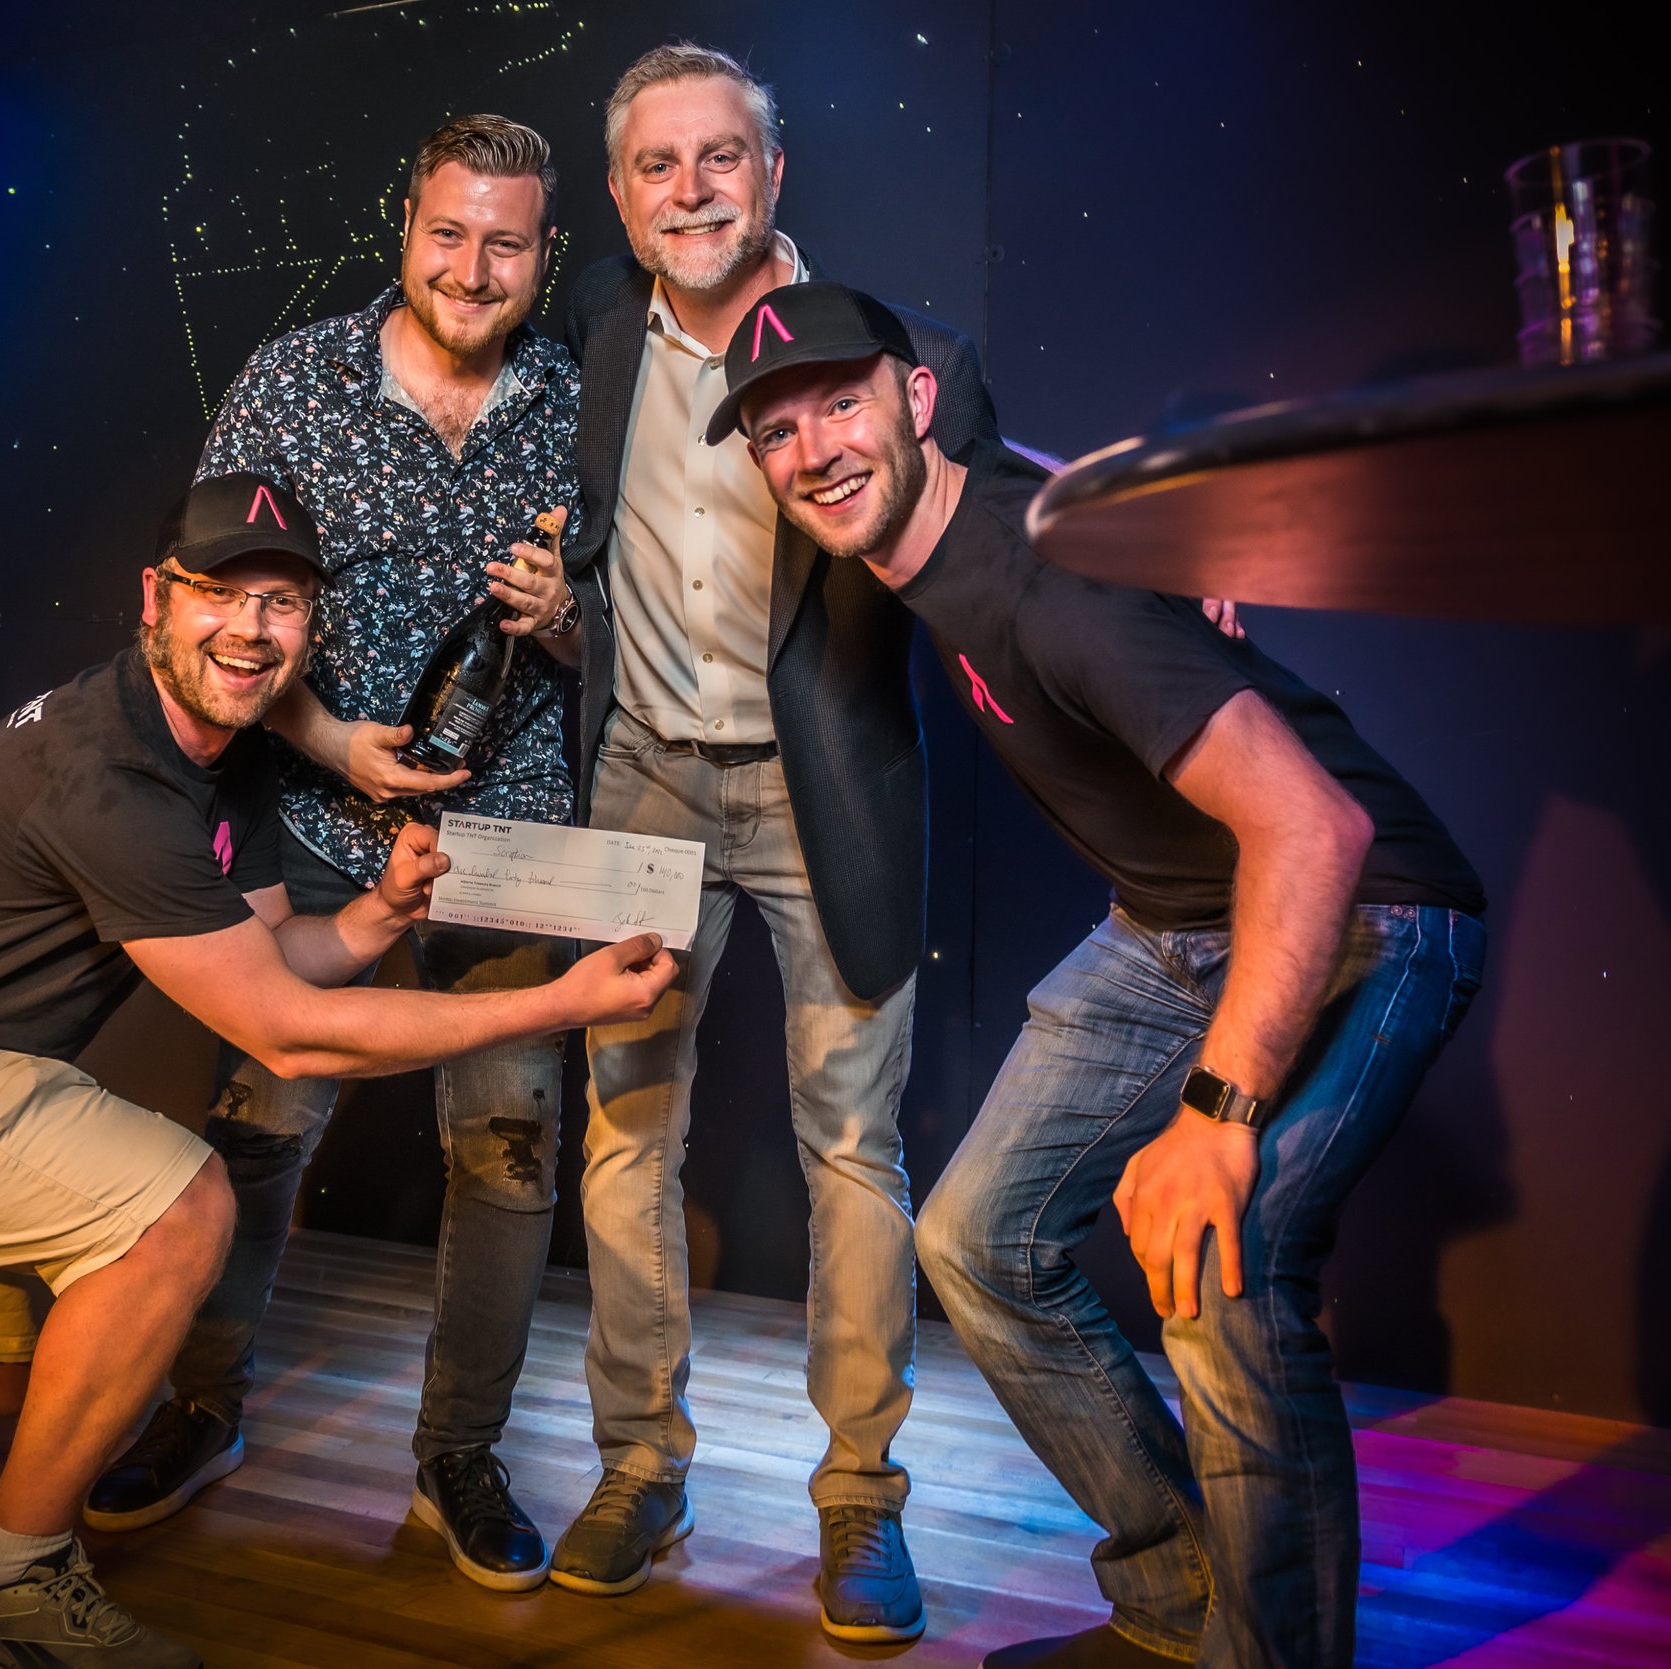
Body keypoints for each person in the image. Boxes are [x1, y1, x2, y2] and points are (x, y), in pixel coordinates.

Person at [0, 471, 673, 1669]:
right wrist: (563, 1000)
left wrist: (379, 913)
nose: (248, 628)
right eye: (216, 592)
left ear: (308, 628)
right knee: (183, 1211)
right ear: (154, 601)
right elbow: (286, 1031)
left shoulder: (225, 763)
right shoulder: (105, 767)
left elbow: (279, 957)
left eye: (280, 604)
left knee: (9, 1392)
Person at [715, 279, 1489, 1669]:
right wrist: (1149, 514)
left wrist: (1218, 1120)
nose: (816, 449)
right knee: (973, 1241)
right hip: (1173, 922)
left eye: (842, 401)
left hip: (1369, 912)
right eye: (777, 430)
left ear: (919, 401)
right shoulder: (949, 523)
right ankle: (1182, 1601)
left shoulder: (1052, 594)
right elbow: (1039, 473)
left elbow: (1317, 828)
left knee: (1222, 1259)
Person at [84, 115, 590, 1593]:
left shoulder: (575, 396)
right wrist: (335, 749)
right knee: (258, 1133)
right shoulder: (293, 379)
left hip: (515, 836)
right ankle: (202, 1409)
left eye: (506, 241)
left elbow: (632, 629)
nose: (474, 266)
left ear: (544, 253)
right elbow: (215, 610)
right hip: (316, 822)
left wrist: (565, 613)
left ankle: (460, 1458)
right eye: (450, 232)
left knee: (507, 1155)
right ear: (408, 226)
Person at [546, 42, 1009, 1643]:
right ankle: (638, 1465)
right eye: (657, 166)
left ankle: (861, 1504)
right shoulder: (595, 346)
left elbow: (1011, 514)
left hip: (828, 796)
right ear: (619, 198)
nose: (690, 190)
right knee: (623, 1140)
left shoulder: (898, 352)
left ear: (773, 175)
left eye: (718, 158)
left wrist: (1170, 556)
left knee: (851, 1151)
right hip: (642, 783)